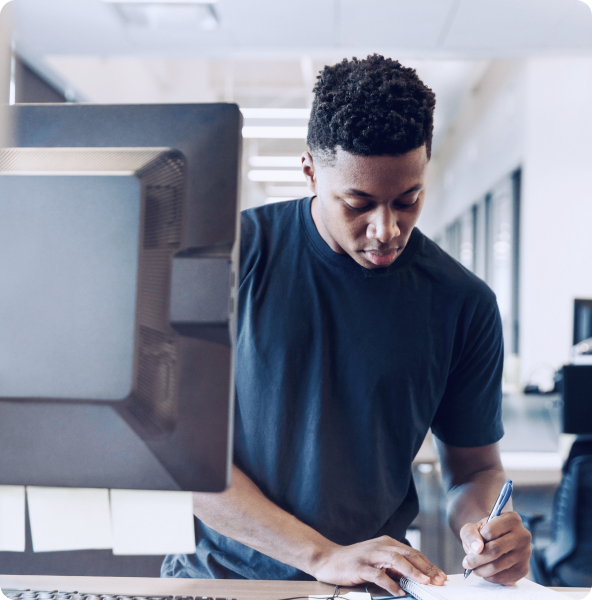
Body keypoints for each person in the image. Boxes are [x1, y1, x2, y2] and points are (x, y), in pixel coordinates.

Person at [161, 55, 531, 597]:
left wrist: (489, 534)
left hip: (365, 588)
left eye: (408, 200)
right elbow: (177, 454)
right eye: (358, 203)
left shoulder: (462, 302)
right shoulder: (228, 260)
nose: (386, 229)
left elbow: (474, 472)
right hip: (220, 582)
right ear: (310, 169)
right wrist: (320, 555)